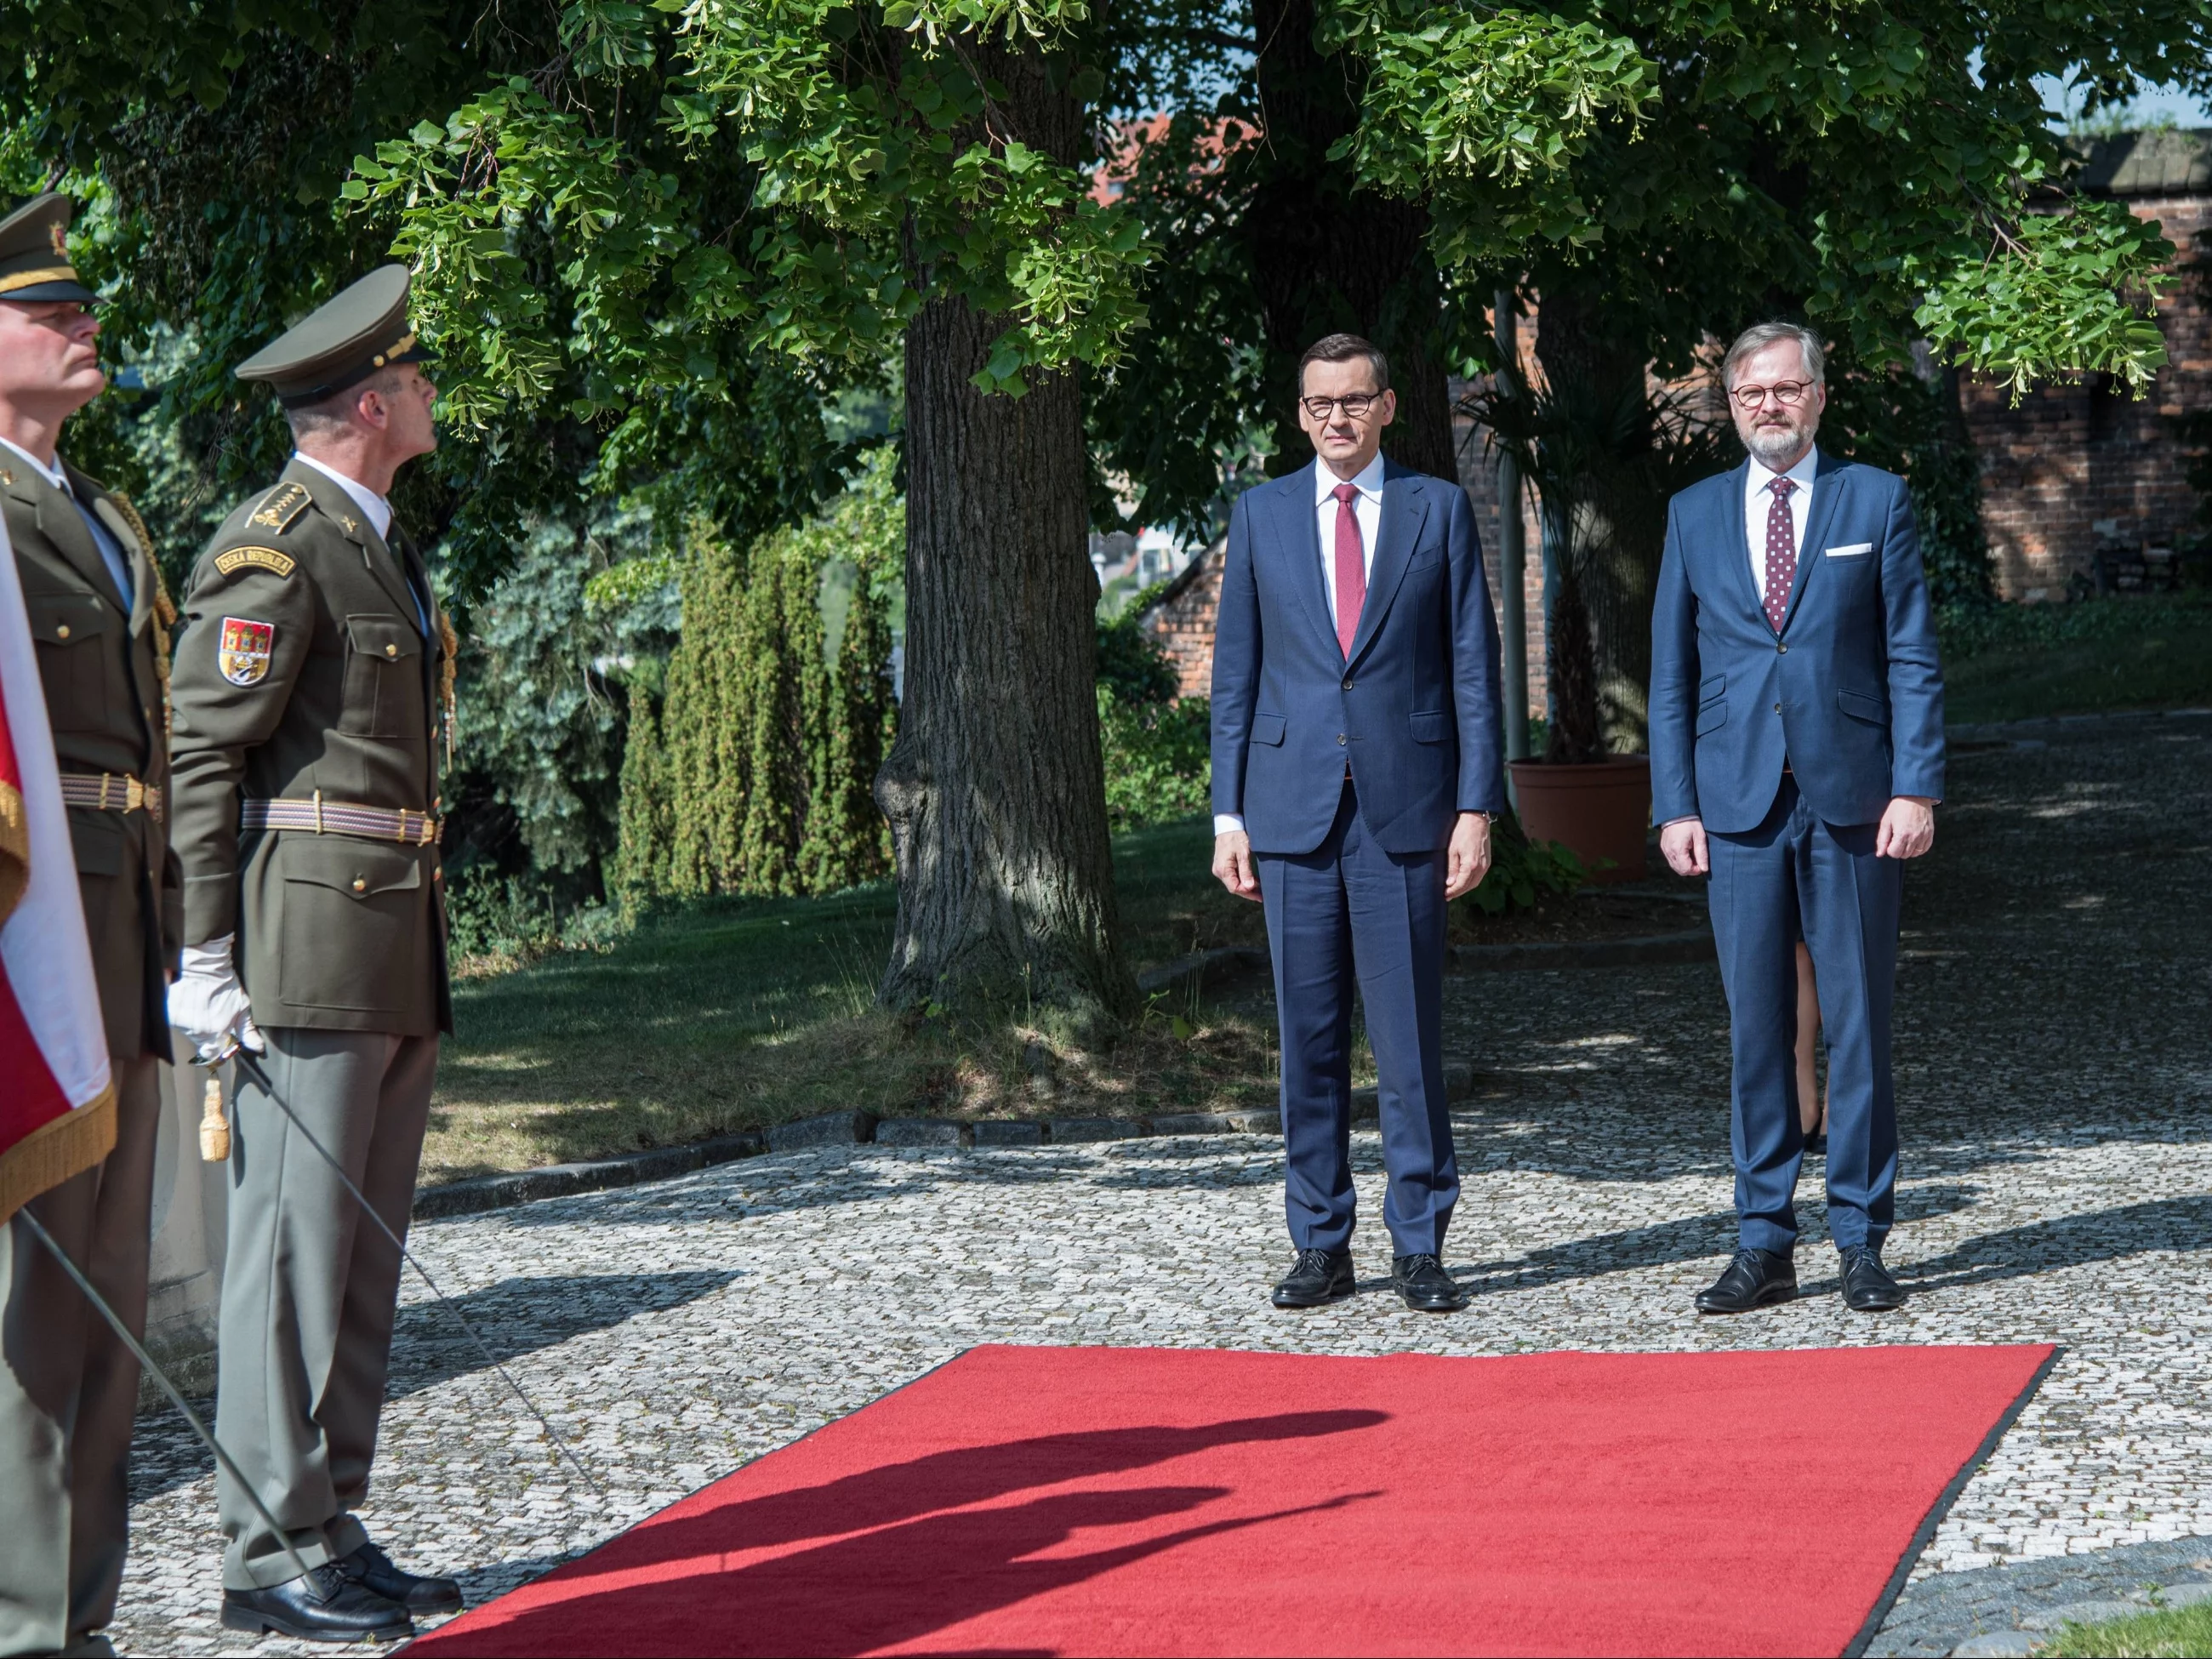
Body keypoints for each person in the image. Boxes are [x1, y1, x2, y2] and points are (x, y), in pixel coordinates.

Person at [166, 265, 459, 1643]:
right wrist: (204, 953)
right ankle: (265, 1548)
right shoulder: (276, 546)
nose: (432, 394)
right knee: (288, 1254)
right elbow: (204, 759)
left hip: (388, 926)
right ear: (367, 401)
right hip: (305, 936)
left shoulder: (373, 539)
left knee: (356, 1258)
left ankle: (327, 1521)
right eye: (417, 378)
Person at [1650, 321, 1944, 1316]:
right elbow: (1671, 680)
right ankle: (1761, 1241)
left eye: (1784, 390)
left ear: (1817, 396)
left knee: (1858, 1026)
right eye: (1748, 395)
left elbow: (1909, 653)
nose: (1767, 407)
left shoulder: (1874, 499)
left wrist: (1917, 786)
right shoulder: (1691, 513)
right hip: (1732, 805)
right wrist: (1671, 804)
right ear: (1728, 406)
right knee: (1755, 1031)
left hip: (1856, 800)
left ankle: (1859, 1236)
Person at [1210, 333, 1506, 1314]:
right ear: (1299, 415)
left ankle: (1419, 1244)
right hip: (1289, 812)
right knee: (1307, 1042)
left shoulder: (1437, 510)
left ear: (1387, 406)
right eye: (1317, 404)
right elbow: (1235, 681)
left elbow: (1472, 668)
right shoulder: (1257, 517)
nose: (1335, 418)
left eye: (1352, 400)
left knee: (1410, 1041)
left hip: (1406, 812)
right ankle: (1320, 1243)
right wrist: (1227, 816)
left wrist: (1474, 806)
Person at [0, 190, 181, 1659]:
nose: (82, 327)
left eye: (82, 309)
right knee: (28, 1323)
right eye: (48, 312)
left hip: (119, 945)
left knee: (111, 1302)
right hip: (26, 949)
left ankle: (84, 1621)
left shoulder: (101, 516)